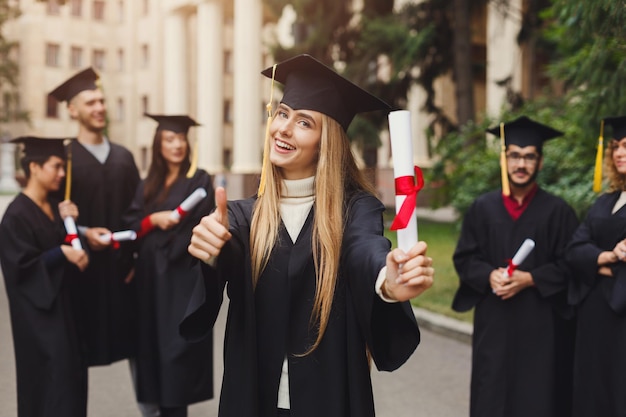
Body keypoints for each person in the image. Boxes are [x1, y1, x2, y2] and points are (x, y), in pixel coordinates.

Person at [182, 54, 434, 417]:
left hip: (327, 398)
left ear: (325, 141)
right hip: (255, 400)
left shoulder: (355, 210)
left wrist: (385, 280)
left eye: (304, 123)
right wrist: (210, 251)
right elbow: (227, 249)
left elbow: (364, 247)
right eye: (282, 114)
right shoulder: (243, 216)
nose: (283, 128)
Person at [452, 116, 579, 417]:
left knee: (538, 395)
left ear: (540, 162)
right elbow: (465, 258)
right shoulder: (482, 208)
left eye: (529, 156)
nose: (521, 164)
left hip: (541, 325)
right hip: (494, 323)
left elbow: (572, 264)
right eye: (515, 156)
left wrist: (531, 278)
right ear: (504, 159)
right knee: (491, 392)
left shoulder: (558, 211)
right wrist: (489, 274)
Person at [48, 68, 155, 415]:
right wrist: (82, 232)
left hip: (122, 275)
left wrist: (135, 259)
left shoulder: (124, 158)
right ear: (72, 110)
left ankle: (151, 410)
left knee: (139, 348)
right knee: (74, 359)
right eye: (90, 101)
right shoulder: (62, 159)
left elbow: (137, 215)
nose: (99, 107)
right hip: (81, 278)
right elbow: (48, 220)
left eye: (101, 100)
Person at [123, 114, 215, 417]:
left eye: (180, 139)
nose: (176, 145)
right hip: (149, 284)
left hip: (180, 283)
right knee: (150, 354)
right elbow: (133, 226)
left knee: (176, 358)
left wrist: (162, 242)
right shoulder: (148, 184)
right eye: (169, 139)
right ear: (158, 145)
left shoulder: (200, 180)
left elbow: (199, 226)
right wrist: (154, 220)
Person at [0, 137, 89, 417]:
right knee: (49, 391)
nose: (62, 174)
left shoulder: (55, 207)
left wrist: (73, 226)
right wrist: (61, 253)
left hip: (68, 316)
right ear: (35, 167)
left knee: (72, 387)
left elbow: (78, 256)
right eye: (56, 167)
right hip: (39, 324)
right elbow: (20, 269)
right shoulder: (15, 216)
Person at [565, 115, 626, 416]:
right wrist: (610, 257)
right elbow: (574, 249)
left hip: (621, 312)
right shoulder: (606, 200)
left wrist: (594, 260)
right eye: (616, 146)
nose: (618, 152)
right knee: (592, 385)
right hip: (594, 310)